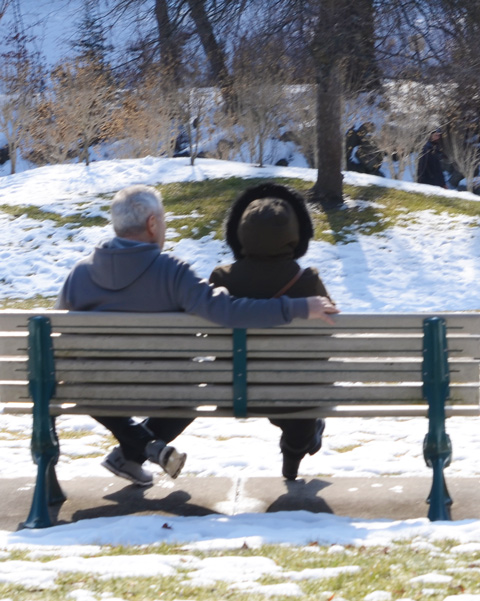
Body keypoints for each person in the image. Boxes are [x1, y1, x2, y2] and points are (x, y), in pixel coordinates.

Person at [55, 184, 339, 487]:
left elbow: (58, 340)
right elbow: (229, 312)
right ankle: (137, 449)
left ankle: (135, 448)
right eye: (163, 220)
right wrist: (295, 307)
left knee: (194, 384)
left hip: (97, 396)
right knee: (195, 386)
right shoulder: (172, 273)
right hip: (165, 393)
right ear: (152, 224)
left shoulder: (79, 274)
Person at [209, 182, 336, 481]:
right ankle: (296, 445)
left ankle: (300, 437)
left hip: (233, 391)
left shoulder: (221, 278)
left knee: (276, 385)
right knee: (299, 394)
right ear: (294, 235)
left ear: (240, 232)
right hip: (294, 393)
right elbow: (326, 336)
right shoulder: (306, 281)